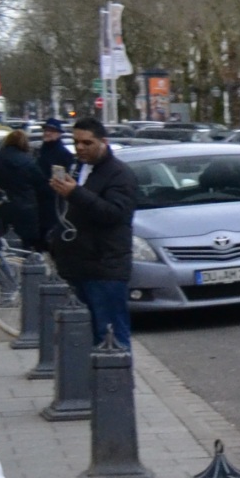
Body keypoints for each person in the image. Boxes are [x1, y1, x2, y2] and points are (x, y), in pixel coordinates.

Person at [46, 116, 138, 350]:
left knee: (110, 337)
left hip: (104, 267)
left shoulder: (119, 174)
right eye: (76, 142)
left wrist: (75, 193)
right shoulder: (79, 168)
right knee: (83, 338)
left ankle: (117, 385)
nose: (80, 148)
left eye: (87, 143)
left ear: (103, 142)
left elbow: (113, 214)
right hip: (78, 265)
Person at [0, 128, 46, 250]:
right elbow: (41, 184)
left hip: (0, 206)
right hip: (25, 208)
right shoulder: (30, 161)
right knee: (25, 247)